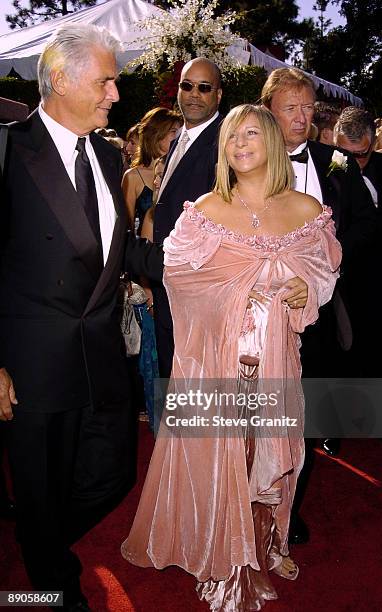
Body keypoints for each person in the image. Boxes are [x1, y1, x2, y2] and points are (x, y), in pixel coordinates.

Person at [121, 104, 341, 610]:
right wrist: (239, 292)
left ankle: (265, 545)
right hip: (217, 364)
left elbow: (324, 271)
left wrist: (303, 289)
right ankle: (222, 550)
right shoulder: (205, 212)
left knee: (270, 457)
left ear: (270, 140)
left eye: (249, 134)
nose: (239, 144)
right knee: (226, 458)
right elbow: (177, 276)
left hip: (277, 363)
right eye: (230, 138)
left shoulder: (307, 211)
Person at [0, 24, 141, 611]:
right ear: (59, 79)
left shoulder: (109, 159)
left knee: (114, 476)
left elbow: (119, 251)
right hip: (34, 367)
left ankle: (42, 534)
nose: (115, 94)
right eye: (105, 81)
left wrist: (215, 261)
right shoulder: (8, 148)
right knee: (42, 486)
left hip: (101, 356)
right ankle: (50, 585)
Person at [261, 67, 376, 541]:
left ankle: (291, 509)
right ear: (268, 110)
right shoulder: (243, 158)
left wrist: (327, 266)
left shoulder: (336, 163)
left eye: (308, 107)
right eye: (290, 107)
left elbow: (367, 225)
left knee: (306, 416)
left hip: (321, 312)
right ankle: (252, 503)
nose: (301, 117)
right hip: (261, 312)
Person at [334, 107, 382, 450]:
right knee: (340, 354)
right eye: (348, 154)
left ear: (374, 142)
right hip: (339, 282)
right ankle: (335, 425)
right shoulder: (323, 171)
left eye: (362, 154)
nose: (355, 162)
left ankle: (381, 424)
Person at [152, 57, 223, 378]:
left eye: (204, 88)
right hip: (168, 287)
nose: (194, 94)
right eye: (187, 85)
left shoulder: (225, 143)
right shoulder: (179, 137)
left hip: (200, 293)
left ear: (218, 96)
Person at [121, 107, 181, 232]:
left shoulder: (182, 170)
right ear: (156, 134)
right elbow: (126, 226)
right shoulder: (133, 176)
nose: (180, 136)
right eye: (174, 131)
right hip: (147, 248)